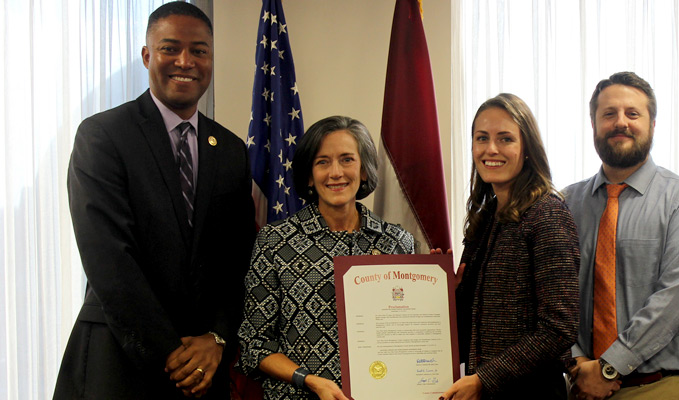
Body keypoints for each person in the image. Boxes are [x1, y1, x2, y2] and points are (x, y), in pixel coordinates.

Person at [54, 2, 255, 398]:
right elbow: (109, 260)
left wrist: (216, 339)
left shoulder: (230, 149)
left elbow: (237, 258)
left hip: (204, 368)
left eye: (199, 50)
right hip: (121, 361)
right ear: (147, 55)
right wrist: (174, 357)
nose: (185, 61)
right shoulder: (103, 136)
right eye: (170, 48)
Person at [237, 116, 415, 400]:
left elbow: (411, 337)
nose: (335, 172)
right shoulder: (274, 242)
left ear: (365, 170)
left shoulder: (397, 243)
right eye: (322, 162)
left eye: (347, 159)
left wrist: (440, 294)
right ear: (309, 175)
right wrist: (308, 381)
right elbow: (255, 345)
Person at [564, 72, 679, 400]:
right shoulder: (567, 204)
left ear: (653, 124)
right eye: (609, 114)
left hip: (657, 388)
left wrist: (611, 366)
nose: (621, 122)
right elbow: (555, 294)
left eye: (633, 114)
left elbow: (676, 300)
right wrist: (576, 360)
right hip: (580, 385)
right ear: (593, 124)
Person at [440, 93, 580, 400]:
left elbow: (559, 328)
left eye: (505, 139)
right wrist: (445, 294)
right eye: (482, 138)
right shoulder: (485, 216)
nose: (491, 149)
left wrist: (484, 379)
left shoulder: (547, 215)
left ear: (527, 148)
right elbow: (477, 322)